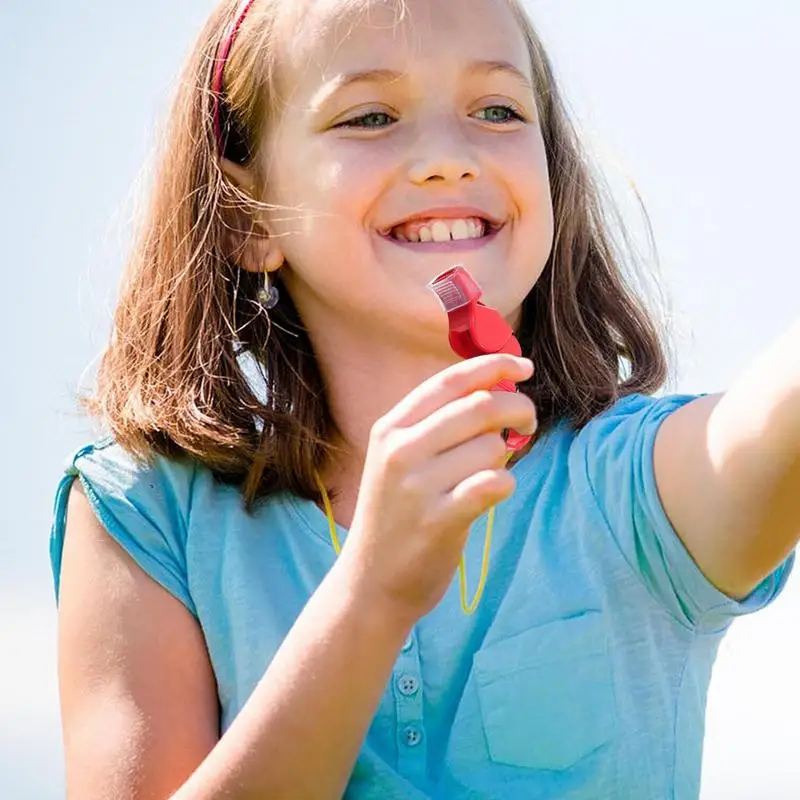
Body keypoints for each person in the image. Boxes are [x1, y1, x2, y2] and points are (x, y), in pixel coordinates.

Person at [50, 0, 800, 797]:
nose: (449, 157)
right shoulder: (146, 515)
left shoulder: (635, 492)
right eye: (370, 116)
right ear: (247, 216)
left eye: (498, 109)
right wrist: (372, 594)